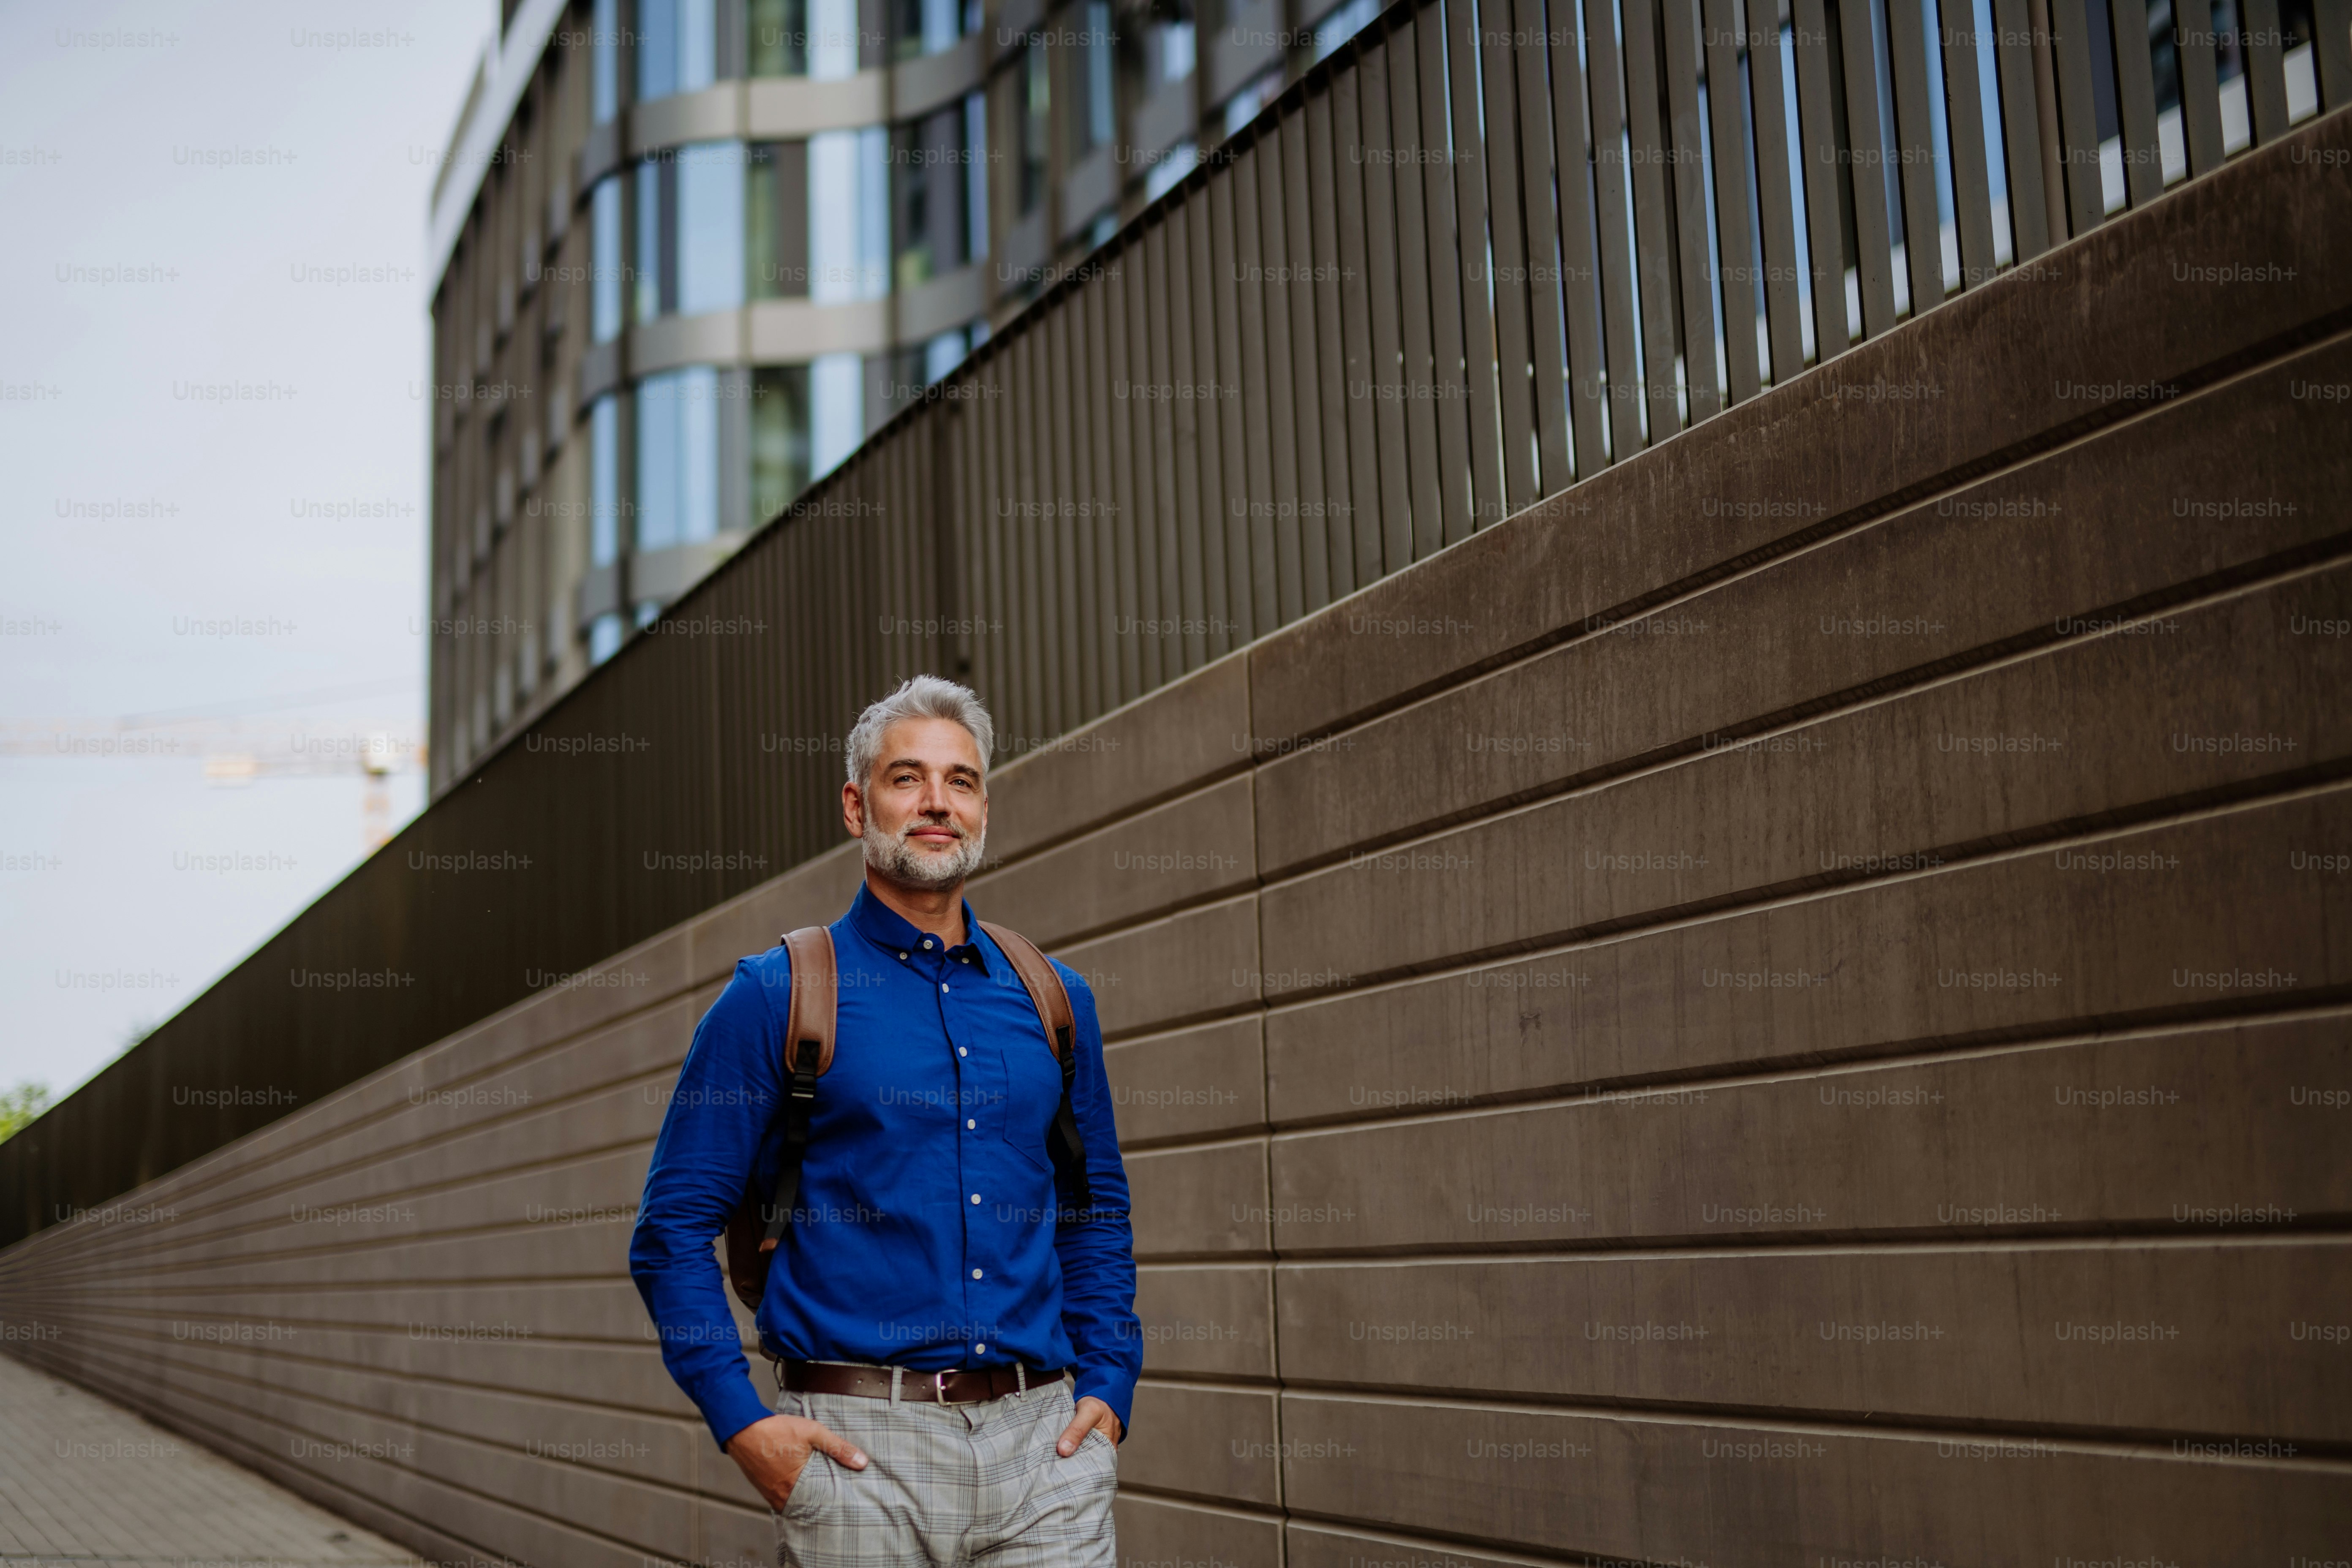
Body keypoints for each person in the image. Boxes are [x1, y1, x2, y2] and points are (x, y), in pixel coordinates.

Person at [630, 675, 1139, 1566]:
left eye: (963, 780)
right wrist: (743, 1422)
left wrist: (1110, 1382)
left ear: (984, 806)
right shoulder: (777, 995)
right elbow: (670, 1231)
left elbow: (1093, 1210)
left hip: (1046, 1451)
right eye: (908, 778)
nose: (938, 801)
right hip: (858, 1455)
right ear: (855, 804)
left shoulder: (1056, 999)